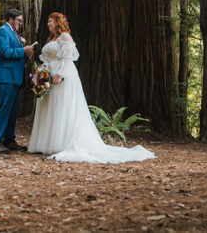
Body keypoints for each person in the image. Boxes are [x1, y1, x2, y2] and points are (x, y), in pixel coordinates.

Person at [28, 12, 154, 163]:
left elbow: (67, 59)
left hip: (63, 77)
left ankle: (61, 142)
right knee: (52, 107)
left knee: (62, 107)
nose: (48, 23)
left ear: (57, 22)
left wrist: (60, 75)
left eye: (50, 21)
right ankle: (48, 143)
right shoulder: (51, 39)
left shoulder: (65, 37)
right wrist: (42, 74)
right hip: (49, 76)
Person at [0, 9, 34, 154]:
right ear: (10, 19)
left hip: (15, 77)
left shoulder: (15, 34)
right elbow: (5, 52)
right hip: (5, 77)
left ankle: (9, 140)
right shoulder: (2, 31)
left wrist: (27, 54)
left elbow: (16, 56)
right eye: (19, 20)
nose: (20, 24)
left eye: (21, 21)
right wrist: (23, 50)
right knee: (4, 109)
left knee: (13, 111)